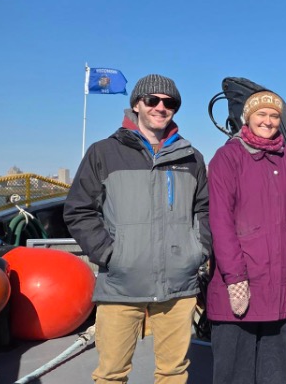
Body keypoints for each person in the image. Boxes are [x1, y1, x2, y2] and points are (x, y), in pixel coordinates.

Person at [64, 74, 211, 384]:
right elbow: (79, 209)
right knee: (111, 373)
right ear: (136, 105)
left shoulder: (191, 158)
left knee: (173, 372)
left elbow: (205, 210)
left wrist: (197, 251)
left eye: (169, 103)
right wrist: (111, 254)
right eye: (152, 100)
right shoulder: (103, 152)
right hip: (121, 284)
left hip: (178, 286)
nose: (161, 107)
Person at [206, 91, 286, 383]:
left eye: (274, 115)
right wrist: (236, 278)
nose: (267, 121)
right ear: (248, 118)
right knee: (235, 375)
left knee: (277, 374)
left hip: (282, 287)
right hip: (242, 285)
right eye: (261, 114)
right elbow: (220, 221)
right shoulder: (228, 157)